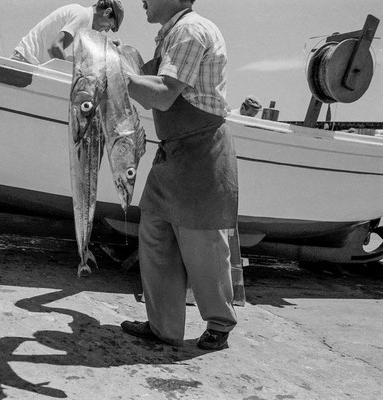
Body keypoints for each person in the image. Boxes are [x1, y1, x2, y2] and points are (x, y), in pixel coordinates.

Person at [120, 0, 238, 350]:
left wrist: (112, 73)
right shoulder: (172, 33)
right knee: (155, 233)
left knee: (202, 243)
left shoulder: (190, 30)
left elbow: (164, 95)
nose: (142, 0)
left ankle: (219, 324)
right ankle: (164, 327)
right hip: (172, 150)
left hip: (200, 150)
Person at [12, 1, 125, 65]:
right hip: (25, 61)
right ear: (107, 12)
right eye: (109, 26)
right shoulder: (83, 16)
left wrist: (109, 45)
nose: (105, 31)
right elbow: (55, 47)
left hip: (28, 60)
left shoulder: (83, 18)